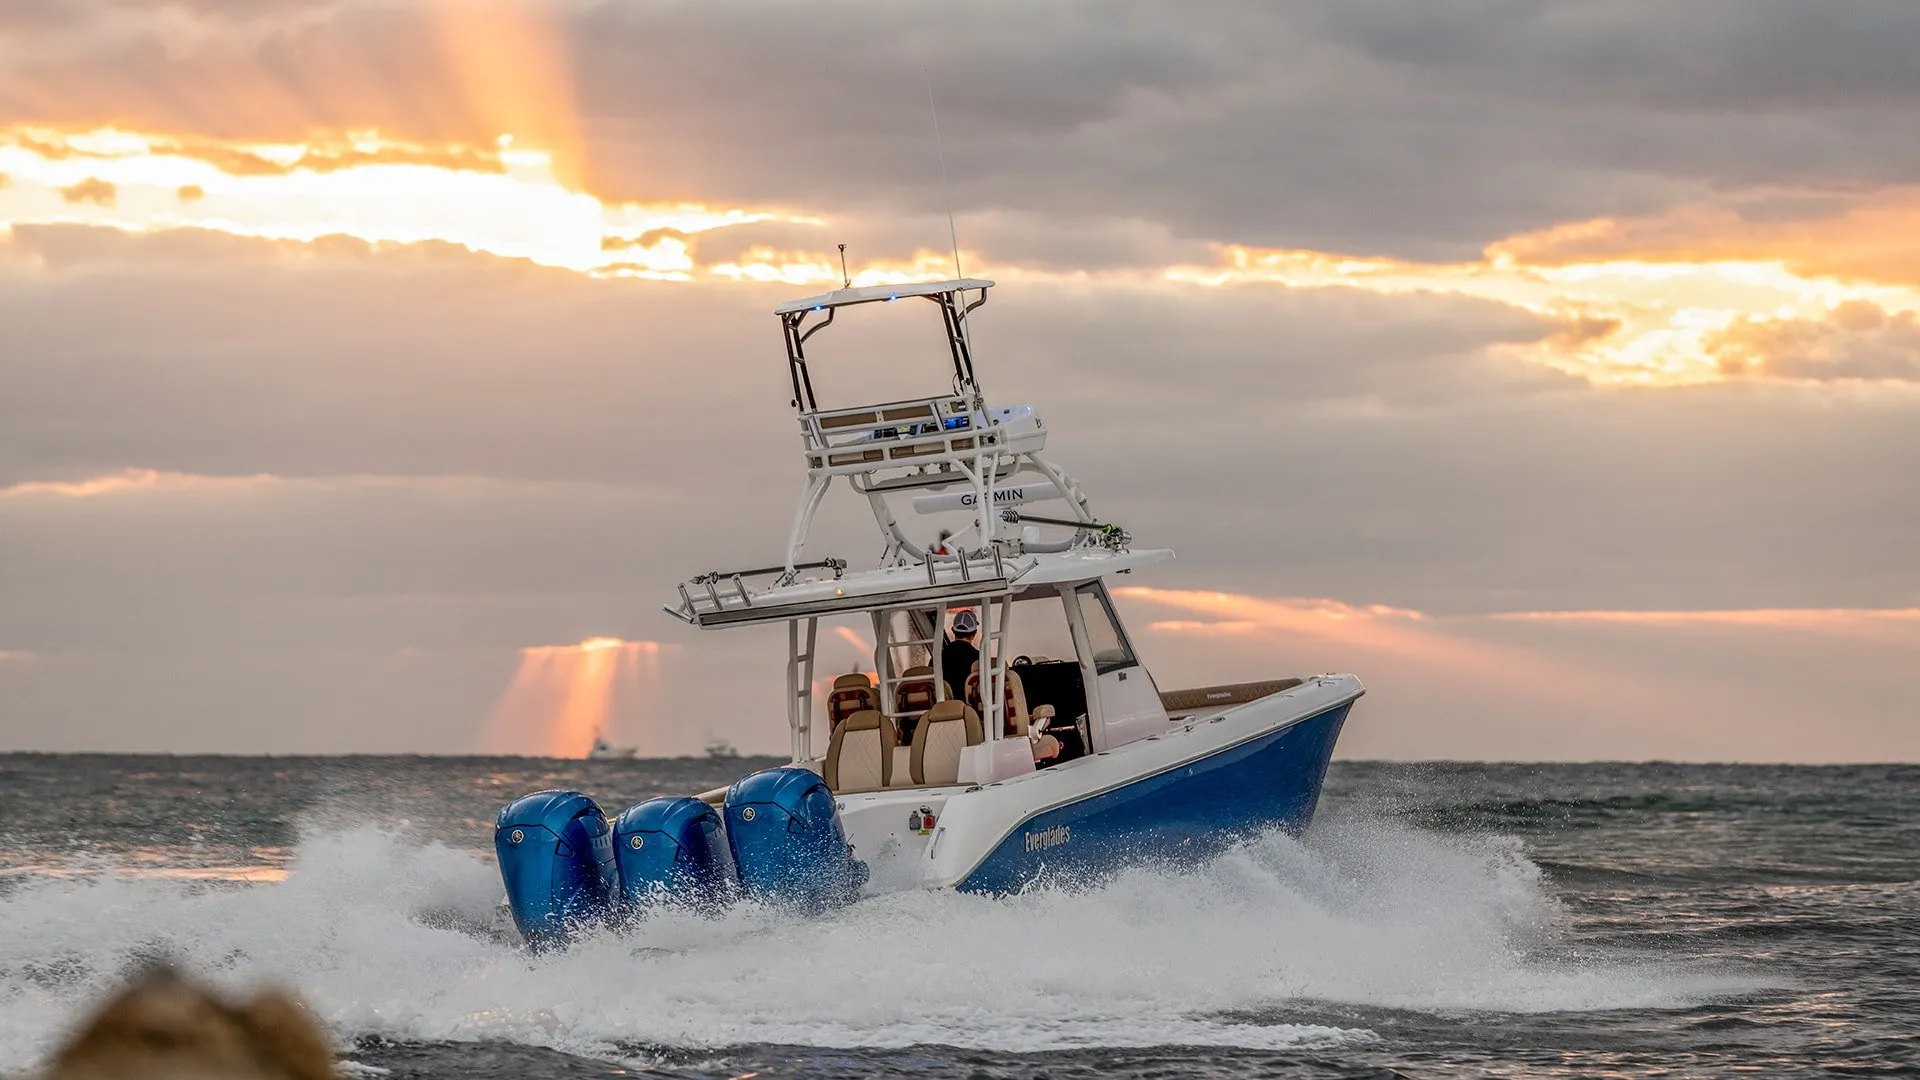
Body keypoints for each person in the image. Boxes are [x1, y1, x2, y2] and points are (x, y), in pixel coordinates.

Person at [941, 608, 979, 699]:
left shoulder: (938, 658)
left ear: (953, 631)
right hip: (972, 711)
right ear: (974, 633)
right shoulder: (979, 659)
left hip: (944, 708)